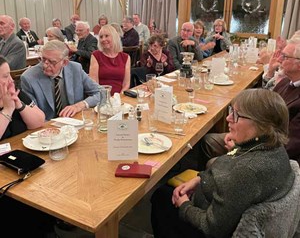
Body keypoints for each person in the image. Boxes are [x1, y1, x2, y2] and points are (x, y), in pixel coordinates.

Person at [151, 88, 294, 238]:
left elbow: (211, 228)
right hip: (216, 203)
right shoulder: (272, 147)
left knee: (161, 197)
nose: (228, 118)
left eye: (237, 115)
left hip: (210, 225)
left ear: (262, 125)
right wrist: (200, 179)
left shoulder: (248, 170)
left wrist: (184, 205)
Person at [198, 31, 300, 169]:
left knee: (211, 158)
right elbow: (261, 108)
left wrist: (241, 147)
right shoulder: (286, 81)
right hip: (256, 135)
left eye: (285, 56)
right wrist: (237, 133)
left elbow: (286, 147)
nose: (280, 59)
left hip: (267, 156)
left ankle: (217, 182)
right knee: (208, 140)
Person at [21, 40, 104, 121]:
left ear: (64, 62)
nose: (45, 64)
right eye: (43, 59)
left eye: (51, 62)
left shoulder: (75, 69)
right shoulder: (28, 78)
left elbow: (101, 93)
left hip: (74, 121)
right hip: (45, 126)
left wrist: (80, 105)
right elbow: (32, 116)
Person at [0, 56, 45, 139]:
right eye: (6, 76)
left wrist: (19, 104)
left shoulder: (12, 91)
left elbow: (39, 122)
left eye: (10, 74)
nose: (11, 80)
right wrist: (8, 109)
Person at [89, 24, 130, 95]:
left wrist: (119, 97)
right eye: (101, 37)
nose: (103, 39)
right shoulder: (96, 55)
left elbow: (126, 84)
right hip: (101, 96)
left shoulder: (126, 57)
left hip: (120, 97)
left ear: (114, 37)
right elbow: (94, 83)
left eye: (106, 36)